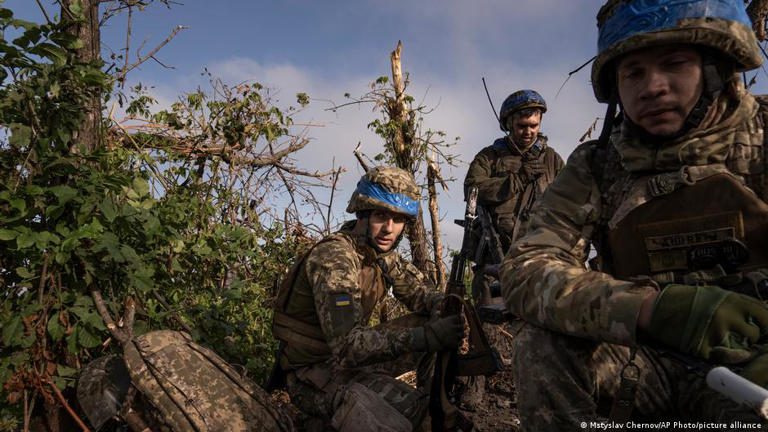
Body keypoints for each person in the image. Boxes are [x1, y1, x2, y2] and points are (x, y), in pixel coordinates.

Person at [501, 0, 768, 430]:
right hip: (642, 361)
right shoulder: (598, 164)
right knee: (541, 343)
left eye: (675, 63)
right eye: (633, 72)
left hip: (749, 369)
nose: (652, 87)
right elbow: (525, 268)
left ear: (715, 67)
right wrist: (649, 309)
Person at [271, 166, 462, 431]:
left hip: (346, 361)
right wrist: (427, 336)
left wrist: (443, 305)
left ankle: (435, 399)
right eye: (380, 216)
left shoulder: (379, 254)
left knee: (434, 320)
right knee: (414, 415)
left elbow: (420, 293)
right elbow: (349, 347)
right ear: (362, 213)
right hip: (311, 374)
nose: (389, 228)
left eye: (398, 220)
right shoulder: (335, 258)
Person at [464, 89, 563, 305]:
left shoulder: (552, 160)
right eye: (522, 126)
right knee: (491, 325)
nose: (528, 132)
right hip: (495, 257)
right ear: (509, 124)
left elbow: (570, 202)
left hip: (542, 257)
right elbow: (471, 190)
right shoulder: (488, 157)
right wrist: (517, 179)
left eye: (534, 126)